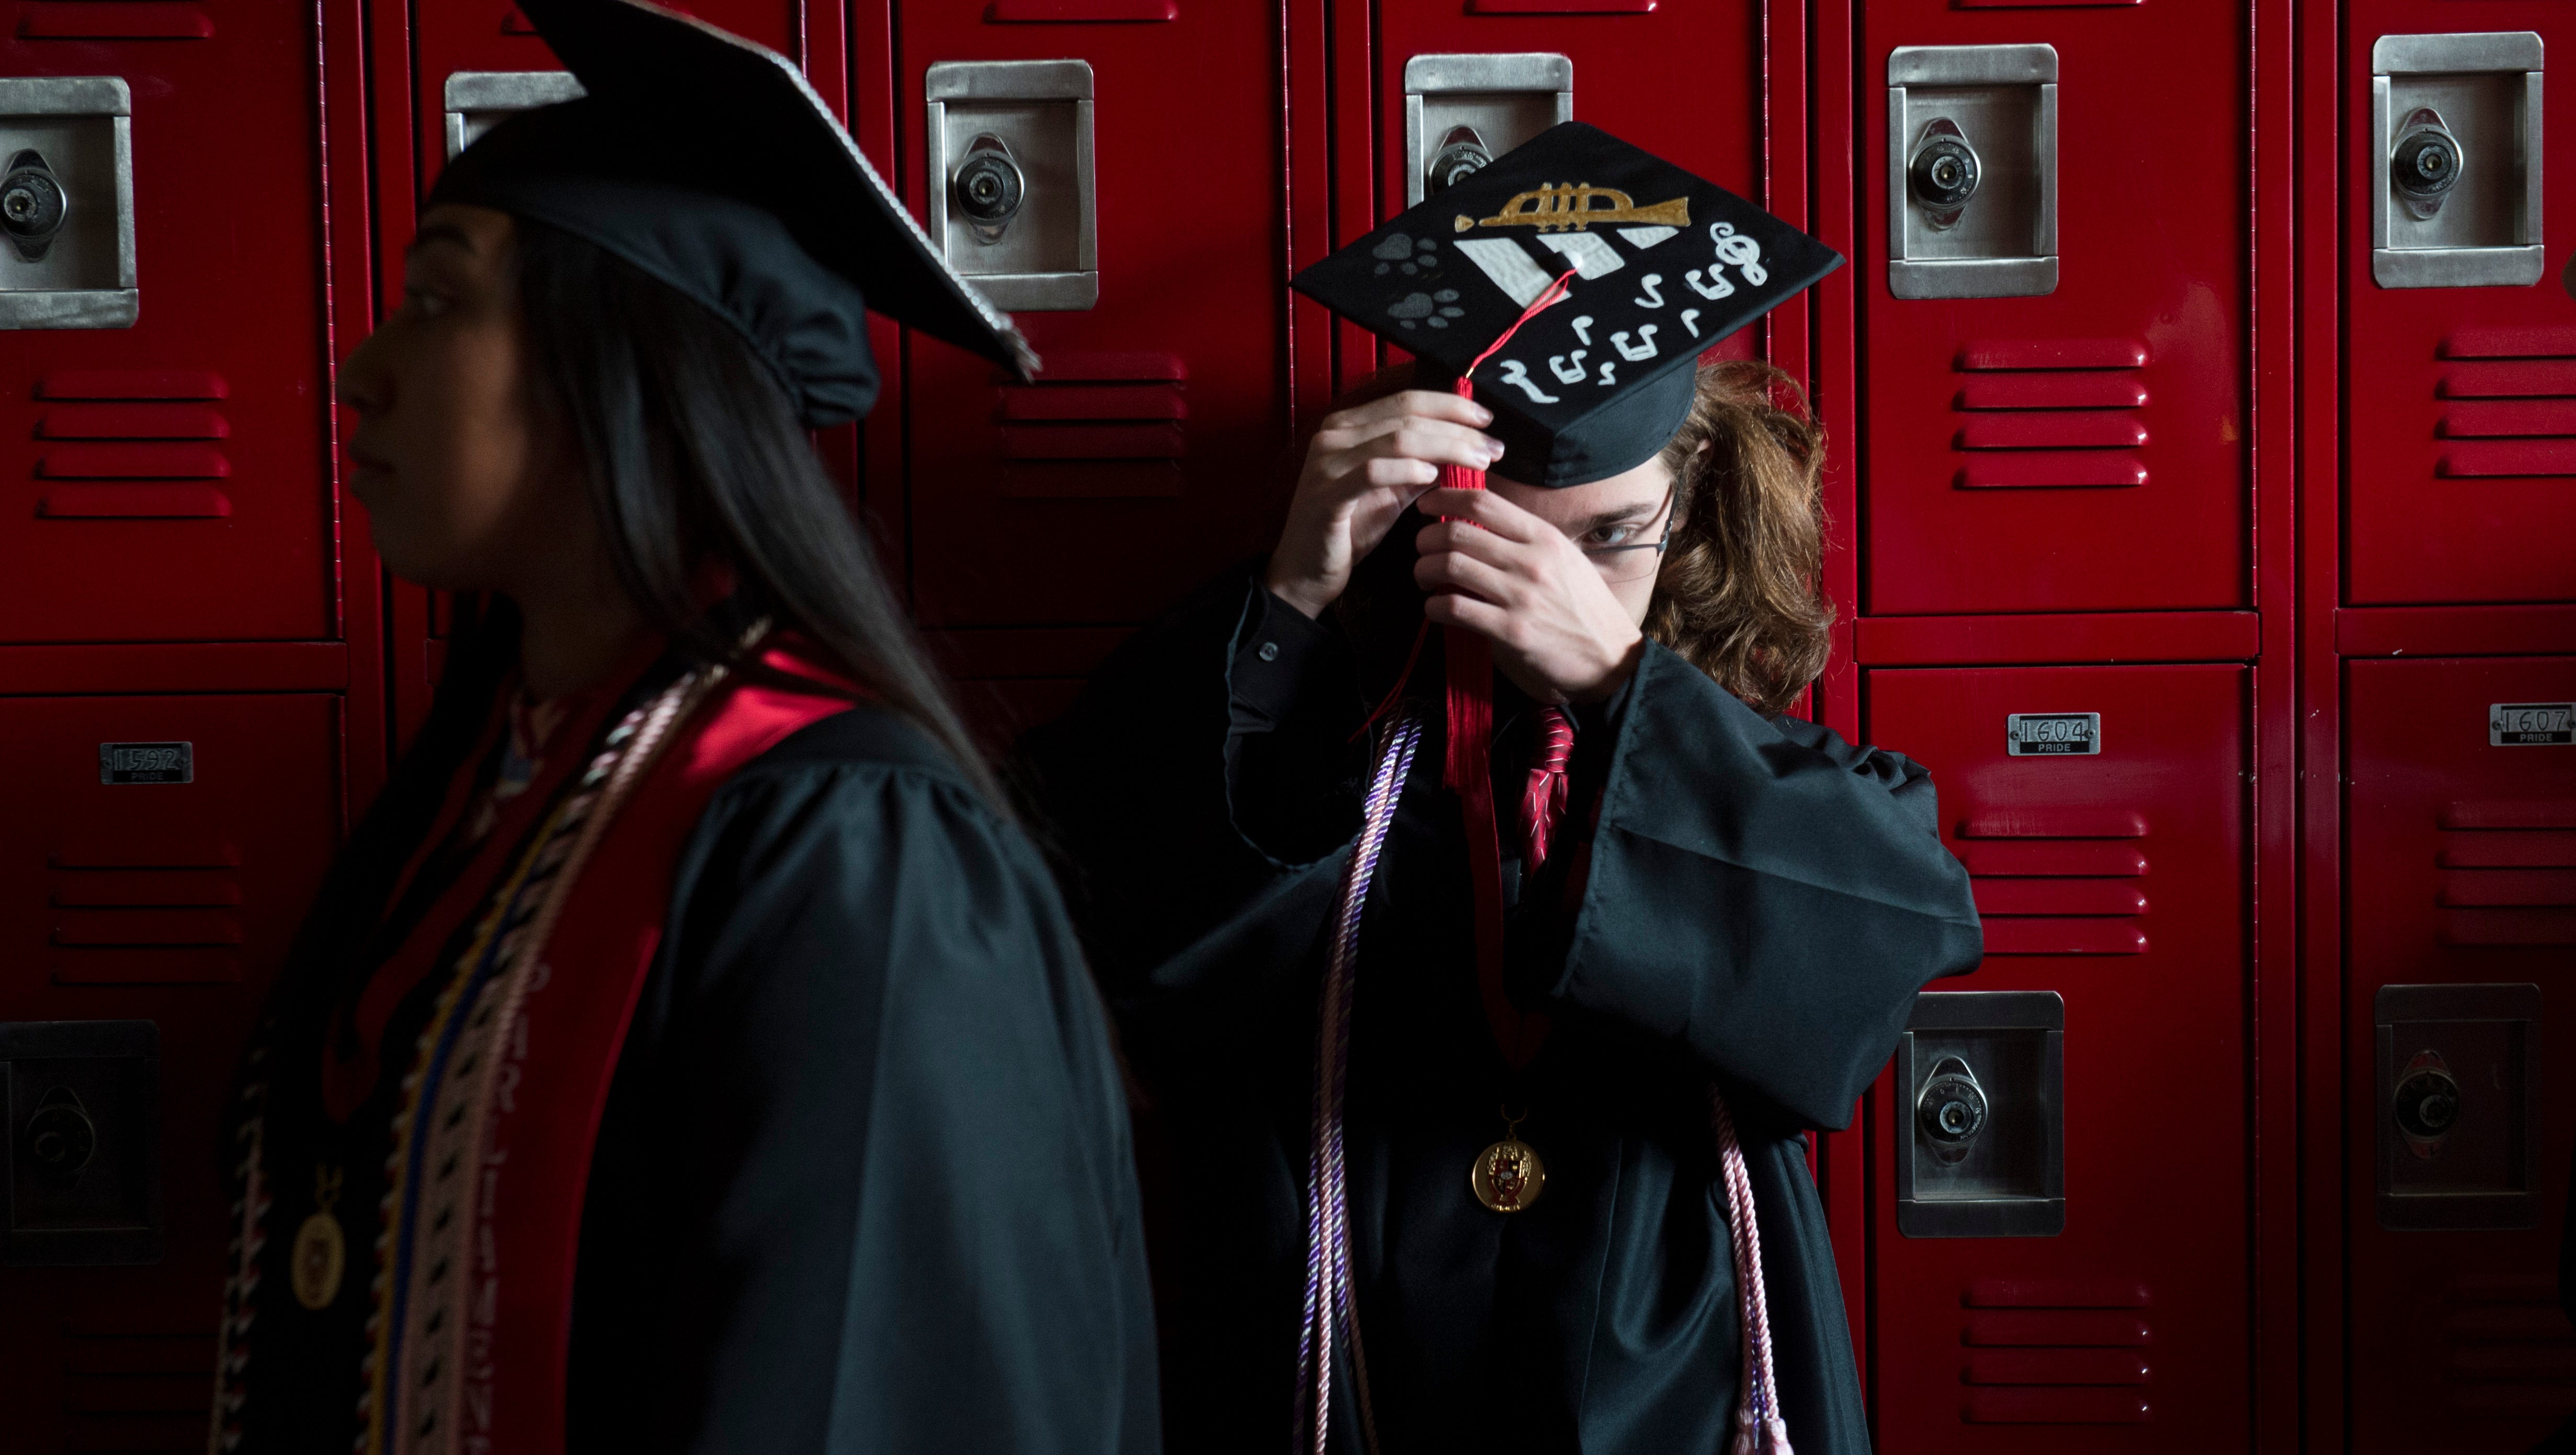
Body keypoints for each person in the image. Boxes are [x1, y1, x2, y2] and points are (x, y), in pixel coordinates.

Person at [209, 2, 1155, 1450]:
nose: (360, 369)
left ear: (626, 362)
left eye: (440, 299)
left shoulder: (847, 848)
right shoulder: (500, 789)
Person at [1025, 123, 1981, 1453]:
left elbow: (1884, 940)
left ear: (1689, 494)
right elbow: (1118, 920)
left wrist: (1612, 673)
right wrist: (1291, 593)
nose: (1550, 589)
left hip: (1679, 1339)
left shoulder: (1740, 747)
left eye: (1609, 540)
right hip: (1355, 1334)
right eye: (1507, 541)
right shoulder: (1331, 733)